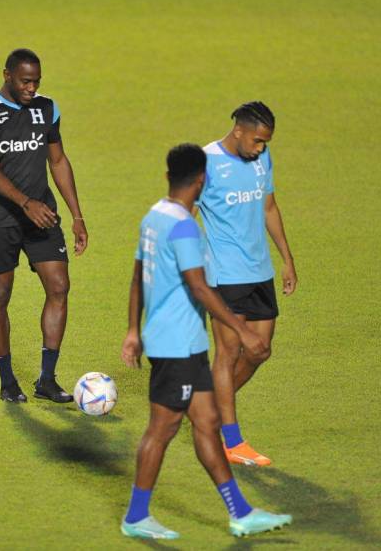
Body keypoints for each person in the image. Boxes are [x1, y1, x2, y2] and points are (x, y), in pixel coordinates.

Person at [120, 144, 292, 539]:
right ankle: (136, 516)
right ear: (202, 180)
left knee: (208, 422)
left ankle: (241, 512)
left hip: (186, 345)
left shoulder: (154, 216)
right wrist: (243, 329)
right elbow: (200, 287)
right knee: (161, 430)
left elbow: (136, 275)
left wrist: (133, 330)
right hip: (176, 345)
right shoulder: (184, 226)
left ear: (168, 176)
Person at [0, 48, 88, 403]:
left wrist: (77, 215)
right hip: (0, 218)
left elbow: (59, 161)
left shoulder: (47, 109)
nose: (31, 88)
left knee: (59, 286)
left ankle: (47, 380)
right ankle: (7, 381)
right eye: (25, 81)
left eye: (36, 81)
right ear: (7, 75)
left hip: (42, 214)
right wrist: (25, 203)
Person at [197, 102, 298, 466]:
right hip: (223, 275)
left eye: (265, 143)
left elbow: (269, 208)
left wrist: (286, 258)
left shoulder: (261, 159)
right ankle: (231, 440)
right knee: (228, 353)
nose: (260, 148)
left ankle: (205, 406)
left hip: (260, 272)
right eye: (257, 140)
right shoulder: (205, 163)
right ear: (238, 130)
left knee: (259, 351)